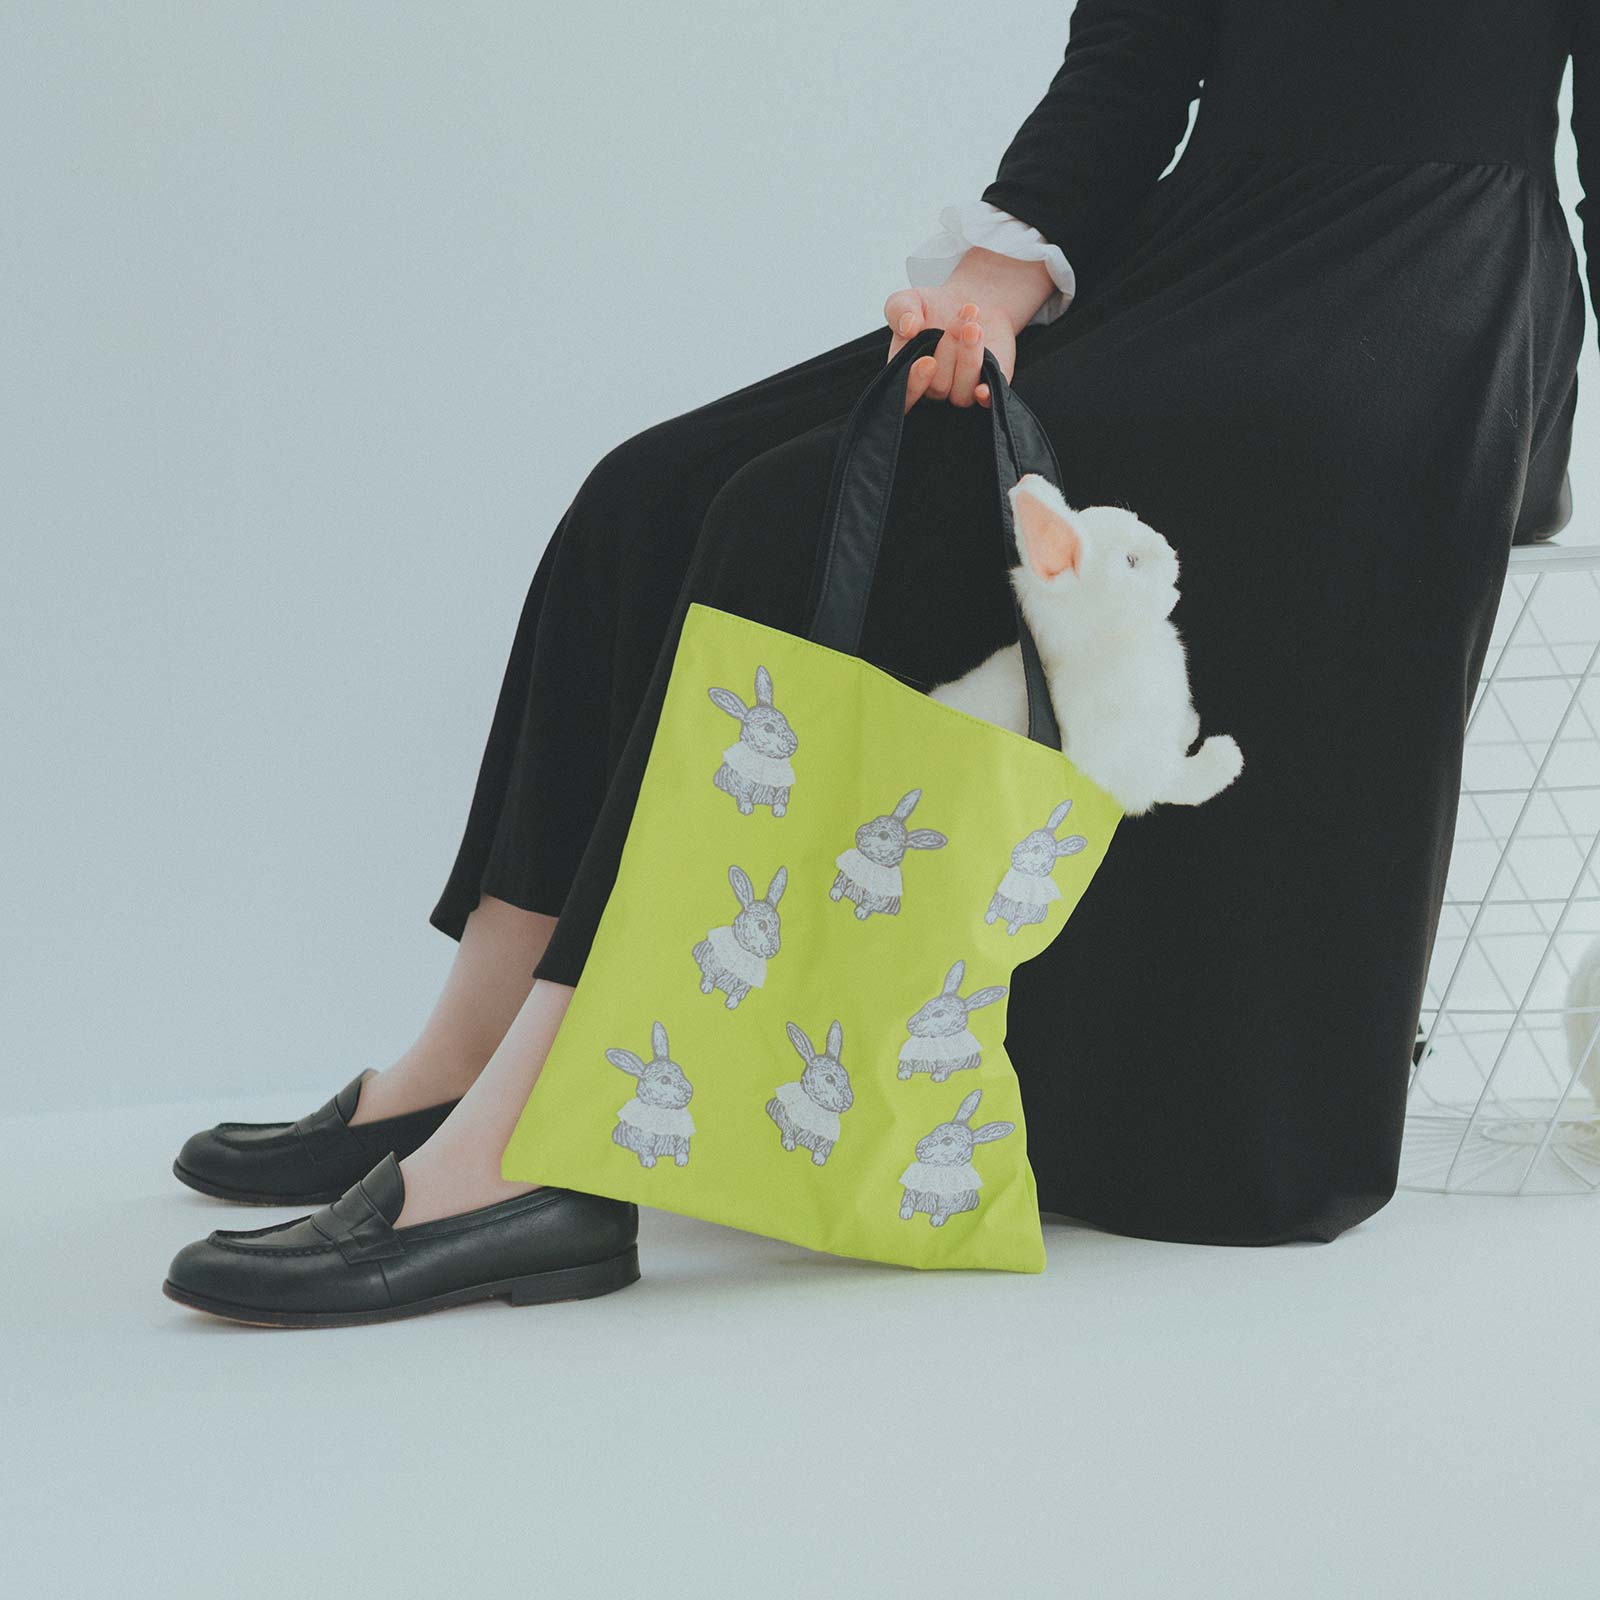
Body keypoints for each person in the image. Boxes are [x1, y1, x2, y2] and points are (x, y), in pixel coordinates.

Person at [163, 0, 1597, 1327]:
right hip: (1191, 251)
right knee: (647, 497)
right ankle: (464, 1065)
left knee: (783, 515)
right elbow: (1135, 62)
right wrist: (992, 288)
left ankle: (545, 1152)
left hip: (1415, 299)